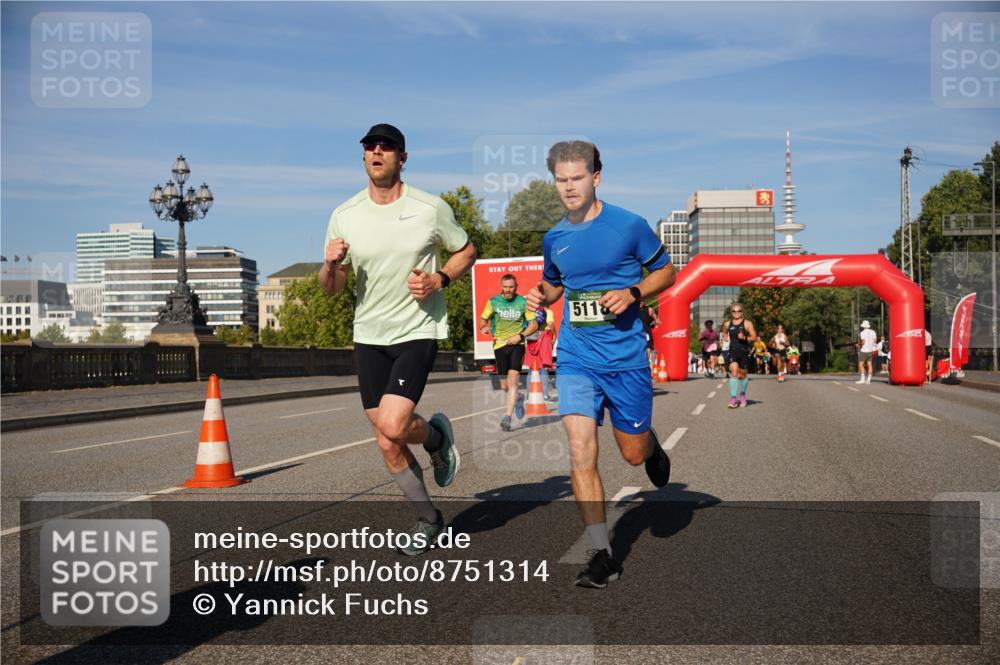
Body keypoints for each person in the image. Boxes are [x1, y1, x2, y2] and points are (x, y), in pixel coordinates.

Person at [320, 123, 477, 555]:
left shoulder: (429, 207)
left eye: (386, 147)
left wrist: (440, 278)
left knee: (392, 424)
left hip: (416, 329)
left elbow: (467, 250)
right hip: (369, 335)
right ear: (363, 157)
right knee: (387, 439)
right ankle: (429, 518)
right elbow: (331, 289)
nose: (376, 151)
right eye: (370, 146)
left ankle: (437, 442)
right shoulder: (344, 215)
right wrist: (330, 265)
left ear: (401, 157)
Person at [525, 140, 676, 588]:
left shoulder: (629, 226)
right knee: (579, 449)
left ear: (596, 177)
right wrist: (540, 296)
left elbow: (667, 273)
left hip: (626, 357)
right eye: (561, 179)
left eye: (576, 178)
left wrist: (633, 293)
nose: (569, 188)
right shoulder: (555, 237)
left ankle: (649, 443)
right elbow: (555, 287)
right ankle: (601, 552)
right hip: (576, 357)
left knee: (630, 455)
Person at [480, 275, 539, 431]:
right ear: (501, 286)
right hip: (499, 345)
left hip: (517, 346)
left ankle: (507, 417)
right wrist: (483, 328)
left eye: (511, 287)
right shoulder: (493, 302)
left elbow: (533, 325)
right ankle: (519, 399)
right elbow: (482, 320)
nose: (508, 290)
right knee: (504, 385)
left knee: (513, 382)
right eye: (505, 287)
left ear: (516, 286)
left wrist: (519, 336)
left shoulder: (523, 303)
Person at [720, 303, 757, 408]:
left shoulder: (747, 323)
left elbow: (754, 337)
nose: (736, 313)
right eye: (734, 311)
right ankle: (733, 399)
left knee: (743, 376)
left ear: (742, 312)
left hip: (744, 352)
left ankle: (743, 394)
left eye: (738, 311)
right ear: (731, 312)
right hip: (733, 351)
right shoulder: (727, 324)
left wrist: (745, 337)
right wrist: (725, 337)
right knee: (734, 371)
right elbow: (724, 332)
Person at [524, 304, 558, 400]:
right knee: (543, 368)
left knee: (531, 369)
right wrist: (554, 335)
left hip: (532, 339)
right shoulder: (548, 312)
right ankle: (544, 394)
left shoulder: (530, 312)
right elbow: (550, 324)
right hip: (543, 339)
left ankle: (529, 394)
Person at [639, 303, 660, 371]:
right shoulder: (632, 309)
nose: (641, 302)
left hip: (646, 333)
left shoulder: (649, 309)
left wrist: (656, 322)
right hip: (636, 333)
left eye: (642, 300)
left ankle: (646, 368)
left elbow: (657, 320)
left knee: (648, 350)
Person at [856, 320, 878, 384]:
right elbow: (874, 341)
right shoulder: (873, 332)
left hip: (864, 350)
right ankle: (868, 380)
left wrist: (858, 345)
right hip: (870, 350)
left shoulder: (862, 333)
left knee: (861, 364)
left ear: (863, 326)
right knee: (870, 365)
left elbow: (863, 342)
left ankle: (862, 379)